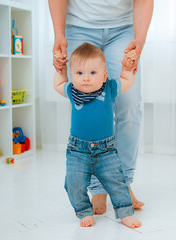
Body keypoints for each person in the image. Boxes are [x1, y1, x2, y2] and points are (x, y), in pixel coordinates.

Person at [48, 0, 153, 214]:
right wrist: (59, 34)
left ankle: (121, 184)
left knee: (129, 103)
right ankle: (97, 188)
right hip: (78, 26)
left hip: (123, 29)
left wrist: (139, 41)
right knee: (86, 105)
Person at [53, 42, 140, 228]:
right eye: (79, 73)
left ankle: (125, 213)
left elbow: (127, 80)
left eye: (93, 73)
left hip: (106, 150)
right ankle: (83, 211)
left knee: (117, 182)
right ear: (72, 75)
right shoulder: (72, 90)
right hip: (78, 151)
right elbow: (59, 83)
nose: (86, 78)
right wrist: (60, 69)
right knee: (73, 184)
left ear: (104, 75)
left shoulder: (109, 88)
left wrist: (127, 68)